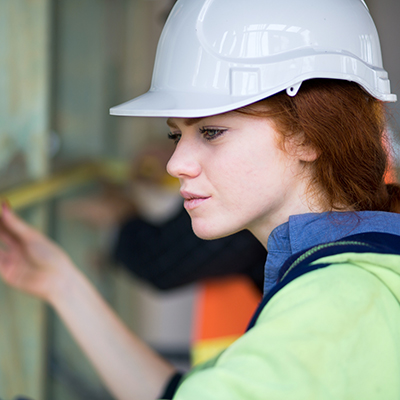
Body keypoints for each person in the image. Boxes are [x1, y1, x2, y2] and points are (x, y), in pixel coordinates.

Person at [1, 1, 400, 400]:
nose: (176, 164)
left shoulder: (331, 310)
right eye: (177, 134)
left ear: (309, 134)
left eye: (211, 132)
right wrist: (61, 284)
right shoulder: (359, 276)